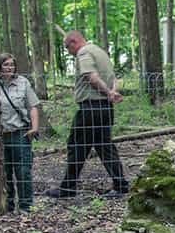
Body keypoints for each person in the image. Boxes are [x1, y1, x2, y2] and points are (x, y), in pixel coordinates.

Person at [44, 30, 129, 198]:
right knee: (104, 147)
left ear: (74, 42)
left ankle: (68, 188)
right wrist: (112, 92)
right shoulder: (99, 51)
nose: (69, 52)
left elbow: (92, 77)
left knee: (75, 145)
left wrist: (109, 93)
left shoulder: (84, 53)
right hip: (105, 108)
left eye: (67, 48)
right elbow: (113, 78)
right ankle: (120, 184)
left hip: (91, 108)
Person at [0, 53, 41, 211]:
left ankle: (25, 207)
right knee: (4, 173)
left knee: (23, 171)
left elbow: (33, 106)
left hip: (20, 133)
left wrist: (34, 128)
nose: (9, 67)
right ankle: (7, 206)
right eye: (6, 64)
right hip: (0, 136)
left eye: (12, 64)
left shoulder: (23, 83)